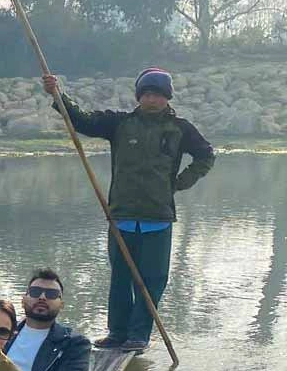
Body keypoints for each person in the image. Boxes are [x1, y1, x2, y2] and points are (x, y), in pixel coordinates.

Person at [42, 67, 215, 352]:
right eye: (147, 94)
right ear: (138, 97)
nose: (152, 100)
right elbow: (83, 121)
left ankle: (139, 336)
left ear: (167, 98)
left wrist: (180, 183)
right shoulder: (120, 124)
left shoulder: (180, 129)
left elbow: (206, 155)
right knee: (120, 277)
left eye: (158, 95)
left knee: (152, 280)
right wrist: (57, 94)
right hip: (121, 216)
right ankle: (118, 332)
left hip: (158, 218)